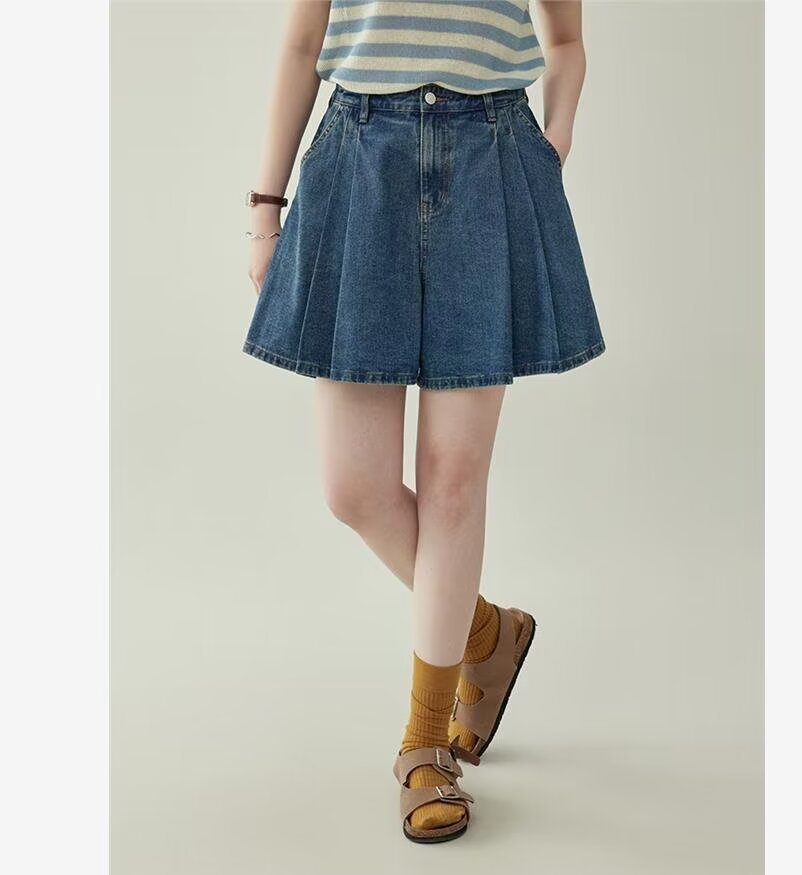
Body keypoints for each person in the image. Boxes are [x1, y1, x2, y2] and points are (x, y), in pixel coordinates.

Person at [242, 0, 605, 843]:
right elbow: (301, 43)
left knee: (452, 480)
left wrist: (552, 142)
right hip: (358, 158)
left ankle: (425, 744)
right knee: (353, 487)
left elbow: (565, 40)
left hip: (491, 160)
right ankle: (484, 630)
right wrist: (265, 207)